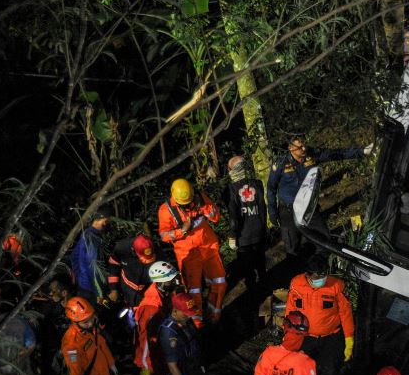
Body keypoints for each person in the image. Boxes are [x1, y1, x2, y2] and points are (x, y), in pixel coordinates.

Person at [267, 136, 373, 256]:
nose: (304, 148)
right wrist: (272, 212)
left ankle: (320, 266)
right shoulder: (280, 163)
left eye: (304, 145)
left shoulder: (311, 156)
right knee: (292, 246)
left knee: (323, 239)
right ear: (291, 148)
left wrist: (362, 151)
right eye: (299, 147)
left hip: (308, 207)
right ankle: (299, 270)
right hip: (287, 210)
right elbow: (271, 188)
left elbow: (335, 154)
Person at [285, 254, 353, 375]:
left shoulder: (336, 286)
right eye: (317, 277)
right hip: (306, 338)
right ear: (308, 275)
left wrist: (349, 339)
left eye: (324, 276)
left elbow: (345, 313)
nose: (321, 280)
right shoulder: (296, 284)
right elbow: (291, 309)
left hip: (331, 338)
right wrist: (289, 336)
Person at [158, 178, 226, 323]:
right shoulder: (166, 210)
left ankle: (214, 317)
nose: (188, 205)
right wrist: (182, 231)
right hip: (187, 254)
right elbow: (164, 235)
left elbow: (216, 216)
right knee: (193, 293)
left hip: (208, 248)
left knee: (219, 283)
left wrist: (205, 209)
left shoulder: (200, 197)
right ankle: (197, 325)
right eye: (184, 204)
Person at [133, 261, 180, 375]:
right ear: (160, 283)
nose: (175, 283)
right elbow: (144, 341)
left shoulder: (163, 298)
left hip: (162, 354)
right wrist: (146, 366)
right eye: (171, 281)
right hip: (151, 359)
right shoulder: (150, 308)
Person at [224, 155, 267, 329]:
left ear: (231, 170)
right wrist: (265, 229)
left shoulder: (231, 189)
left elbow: (234, 218)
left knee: (248, 272)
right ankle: (265, 292)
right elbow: (262, 209)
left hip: (244, 237)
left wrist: (233, 236)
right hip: (259, 233)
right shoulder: (257, 183)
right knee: (261, 266)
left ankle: (254, 303)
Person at [70, 206, 112, 303]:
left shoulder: (86, 233)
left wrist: (78, 278)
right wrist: (99, 293)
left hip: (82, 285)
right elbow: (94, 267)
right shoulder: (92, 238)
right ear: (104, 220)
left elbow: (74, 256)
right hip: (91, 289)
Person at [108, 234, 157, 308]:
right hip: (127, 289)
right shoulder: (121, 249)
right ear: (134, 250)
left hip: (147, 291)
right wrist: (113, 289)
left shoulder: (156, 250)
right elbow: (113, 266)